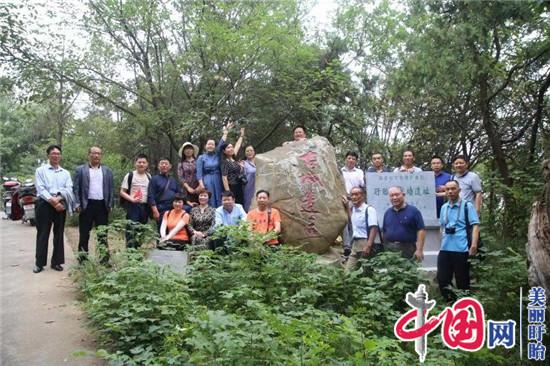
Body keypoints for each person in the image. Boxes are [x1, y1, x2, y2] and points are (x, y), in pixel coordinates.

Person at [33, 145, 74, 273]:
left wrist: (58, 199)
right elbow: (41, 188)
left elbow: (69, 188)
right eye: (53, 153)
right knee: (43, 234)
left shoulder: (65, 173)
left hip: (60, 204)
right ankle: (39, 264)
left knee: (59, 234)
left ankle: (56, 262)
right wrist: (53, 201)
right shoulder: (41, 171)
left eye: (58, 153)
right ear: (48, 156)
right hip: (44, 204)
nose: (56, 156)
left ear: (60, 156)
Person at [437, 180, 479, 301]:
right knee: (442, 279)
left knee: (462, 280)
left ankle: (464, 305)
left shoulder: (467, 206)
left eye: (453, 188)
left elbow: (475, 225)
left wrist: (474, 245)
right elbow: (442, 227)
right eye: (447, 189)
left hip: (461, 249)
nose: (450, 191)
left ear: (459, 190)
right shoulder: (444, 207)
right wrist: (441, 241)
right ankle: (450, 303)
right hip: (445, 249)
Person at [73, 146, 114, 263]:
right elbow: (76, 188)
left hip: (102, 206)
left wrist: (110, 204)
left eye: (98, 154)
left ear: (101, 156)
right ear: (89, 155)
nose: (96, 156)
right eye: (94, 153)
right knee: (84, 233)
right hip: (86, 205)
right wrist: (77, 204)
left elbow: (110, 189)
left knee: (102, 234)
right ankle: (83, 259)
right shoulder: (81, 170)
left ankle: (104, 259)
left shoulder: (107, 171)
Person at [382, 186, 426, 261]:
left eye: (397, 194)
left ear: (403, 195)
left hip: (408, 249)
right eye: (392, 195)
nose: (394, 197)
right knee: (392, 272)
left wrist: (419, 250)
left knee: (408, 272)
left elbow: (421, 230)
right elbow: (384, 231)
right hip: (390, 250)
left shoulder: (413, 211)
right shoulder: (387, 212)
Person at [196, 122, 234, 207]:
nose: (210, 146)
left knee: (220, 197)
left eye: (212, 144)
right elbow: (199, 173)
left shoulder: (217, 154)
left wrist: (226, 132)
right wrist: (201, 185)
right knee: (210, 198)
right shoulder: (201, 158)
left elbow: (221, 143)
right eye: (209, 144)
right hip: (207, 180)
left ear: (214, 146)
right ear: (205, 146)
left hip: (218, 179)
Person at [341, 187, 379, 270]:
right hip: (355, 243)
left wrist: (368, 245)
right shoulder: (354, 209)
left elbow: (374, 228)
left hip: (365, 242)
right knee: (348, 272)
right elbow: (352, 219)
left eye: (356, 194)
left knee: (366, 271)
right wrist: (347, 206)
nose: (354, 197)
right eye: (352, 195)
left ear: (363, 196)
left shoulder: (369, 209)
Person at [120, 154, 151, 248]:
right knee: (131, 230)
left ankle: (137, 253)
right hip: (133, 206)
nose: (141, 164)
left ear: (147, 164)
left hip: (145, 207)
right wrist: (132, 199)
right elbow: (122, 192)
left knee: (141, 230)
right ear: (135, 163)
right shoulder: (130, 175)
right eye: (139, 162)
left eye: (143, 162)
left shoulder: (149, 176)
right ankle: (130, 253)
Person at [148, 157, 182, 230]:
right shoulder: (154, 179)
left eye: (166, 164)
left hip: (174, 207)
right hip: (161, 208)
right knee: (162, 230)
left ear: (170, 166)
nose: (164, 165)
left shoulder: (173, 180)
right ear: (158, 166)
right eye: (162, 163)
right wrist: (155, 210)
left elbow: (179, 194)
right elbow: (151, 195)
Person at [221, 128, 245, 205]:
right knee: (232, 205)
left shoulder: (234, 160)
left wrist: (241, 135)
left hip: (239, 185)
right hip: (232, 187)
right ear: (224, 151)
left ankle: (240, 218)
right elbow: (224, 178)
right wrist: (228, 193)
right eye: (228, 147)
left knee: (240, 204)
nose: (231, 149)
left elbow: (237, 145)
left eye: (231, 147)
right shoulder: (225, 162)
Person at [242, 145, 256, 212]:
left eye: (251, 150)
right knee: (248, 205)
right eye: (247, 151)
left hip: (260, 186)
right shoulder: (243, 163)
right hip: (249, 187)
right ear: (245, 153)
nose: (249, 152)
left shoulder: (259, 161)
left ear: (254, 152)